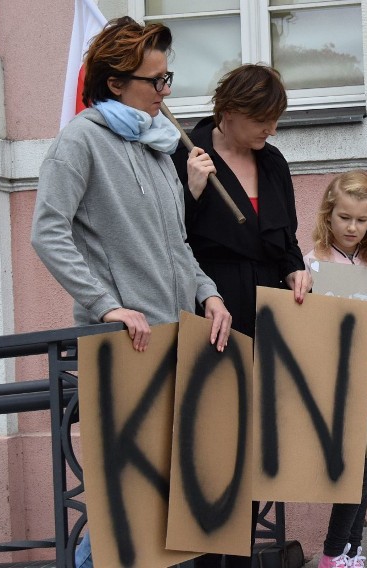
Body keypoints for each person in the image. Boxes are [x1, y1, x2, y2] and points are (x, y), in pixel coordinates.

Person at [30, 17, 232, 568]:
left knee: (172, 498)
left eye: (168, 78)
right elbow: (47, 232)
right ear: (115, 82)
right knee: (126, 501)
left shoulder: (155, 145)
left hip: (175, 342)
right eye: (155, 81)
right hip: (123, 347)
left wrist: (209, 295)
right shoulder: (80, 142)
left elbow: (176, 245)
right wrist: (105, 305)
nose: (165, 92)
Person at [172, 63, 311, 568]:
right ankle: (209, 557)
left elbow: (287, 235)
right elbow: (169, 239)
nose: (270, 131)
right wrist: (189, 191)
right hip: (214, 306)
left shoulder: (272, 161)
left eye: (275, 120)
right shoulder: (184, 153)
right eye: (262, 120)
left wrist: (295, 270)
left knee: (256, 440)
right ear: (229, 113)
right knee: (215, 442)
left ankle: (240, 551)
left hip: (268, 304)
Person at [303, 171, 367, 568]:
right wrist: (348, 379)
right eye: (344, 217)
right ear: (329, 215)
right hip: (336, 384)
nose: (352, 227)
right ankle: (331, 553)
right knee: (361, 469)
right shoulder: (312, 264)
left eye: (362, 220)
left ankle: (352, 551)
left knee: (365, 469)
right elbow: (311, 334)